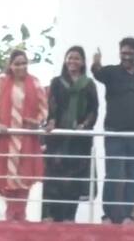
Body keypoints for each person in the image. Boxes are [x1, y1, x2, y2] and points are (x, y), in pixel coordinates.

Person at [92, 37, 134, 225]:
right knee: (113, 174)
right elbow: (97, 73)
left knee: (133, 174)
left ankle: (127, 215)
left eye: (130, 53)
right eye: (123, 53)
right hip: (114, 133)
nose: (126, 56)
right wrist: (96, 63)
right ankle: (108, 215)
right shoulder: (111, 73)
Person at [0, 50, 48, 221]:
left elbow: (44, 110)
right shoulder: (2, 81)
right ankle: (11, 216)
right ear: (10, 65)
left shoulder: (35, 82)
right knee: (7, 179)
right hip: (7, 137)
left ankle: (20, 216)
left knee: (24, 178)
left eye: (24, 63)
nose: (21, 67)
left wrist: (37, 121)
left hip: (27, 137)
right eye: (17, 64)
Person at [42, 46, 99, 222]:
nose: (72, 61)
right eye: (70, 58)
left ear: (82, 62)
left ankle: (69, 216)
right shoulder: (56, 82)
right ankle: (52, 215)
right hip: (59, 138)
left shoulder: (88, 84)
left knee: (74, 178)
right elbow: (52, 105)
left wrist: (85, 125)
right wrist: (52, 121)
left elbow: (93, 109)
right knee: (55, 177)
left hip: (78, 139)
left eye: (77, 58)